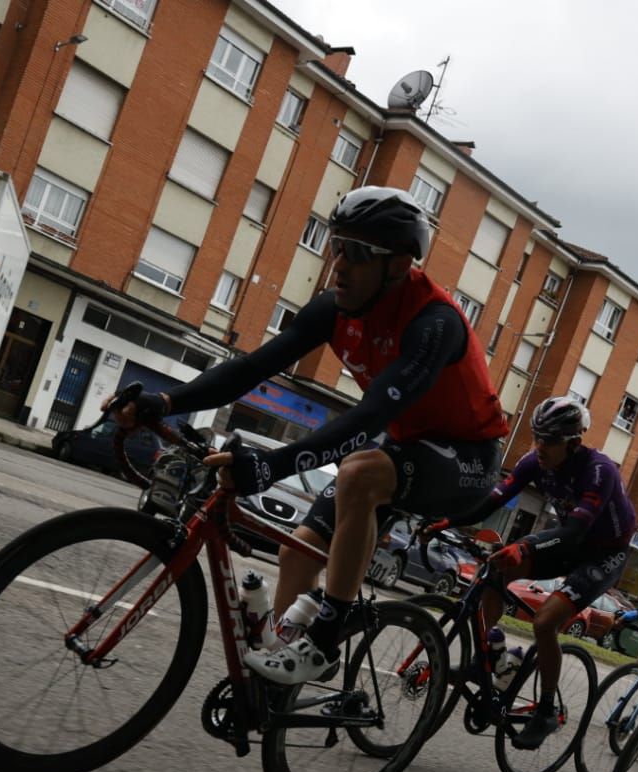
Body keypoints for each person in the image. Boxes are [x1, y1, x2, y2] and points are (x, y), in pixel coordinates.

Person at [111, 187, 509, 684]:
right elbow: (252, 367)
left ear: (400, 264)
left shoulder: (434, 323)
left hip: (468, 458)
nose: (339, 265)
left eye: (358, 253)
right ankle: (283, 671)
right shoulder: (334, 308)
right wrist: (166, 401)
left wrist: (272, 465)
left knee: (361, 470)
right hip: (406, 446)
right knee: (298, 549)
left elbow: (366, 419)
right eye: (335, 245)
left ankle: (323, 641)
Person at [455, 396, 636, 750]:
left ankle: (547, 711)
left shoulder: (600, 470)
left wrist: (525, 545)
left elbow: (574, 531)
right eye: (537, 436)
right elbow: (494, 499)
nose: (539, 446)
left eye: (549, 440)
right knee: (496, 568)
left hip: (603, 555)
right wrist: (448, 518)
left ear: (573, 443)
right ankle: (487, 658)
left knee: (543, 623)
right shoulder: (534, 460)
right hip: (571, 545)